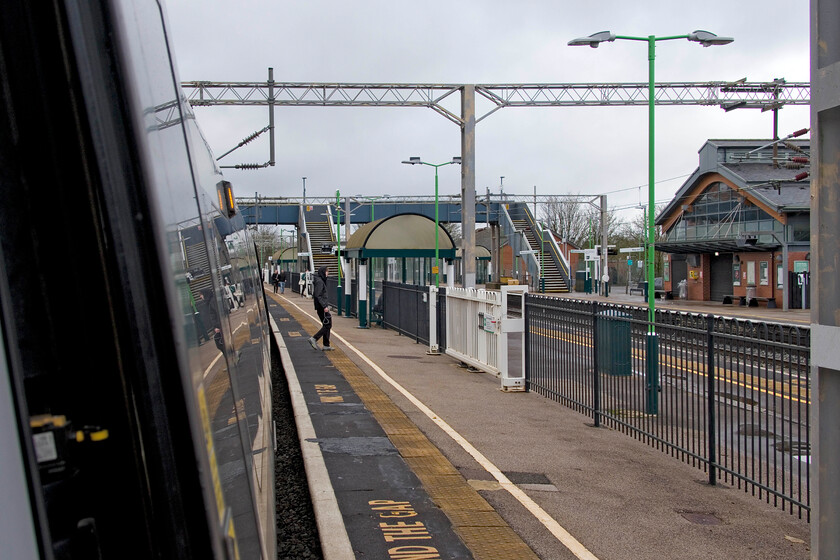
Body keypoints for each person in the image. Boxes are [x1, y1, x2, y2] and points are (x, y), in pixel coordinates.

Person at [308, 266, 333, 351]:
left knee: (327, 324)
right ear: (323, 272)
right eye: (326, 271)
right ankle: (314, 338)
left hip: (321, 306)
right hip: (322, 307)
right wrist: (324, 306)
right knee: (327, 324)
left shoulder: (320, 280)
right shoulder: (320, 282)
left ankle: (326, 345)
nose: (327, 273)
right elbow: (318, 295)